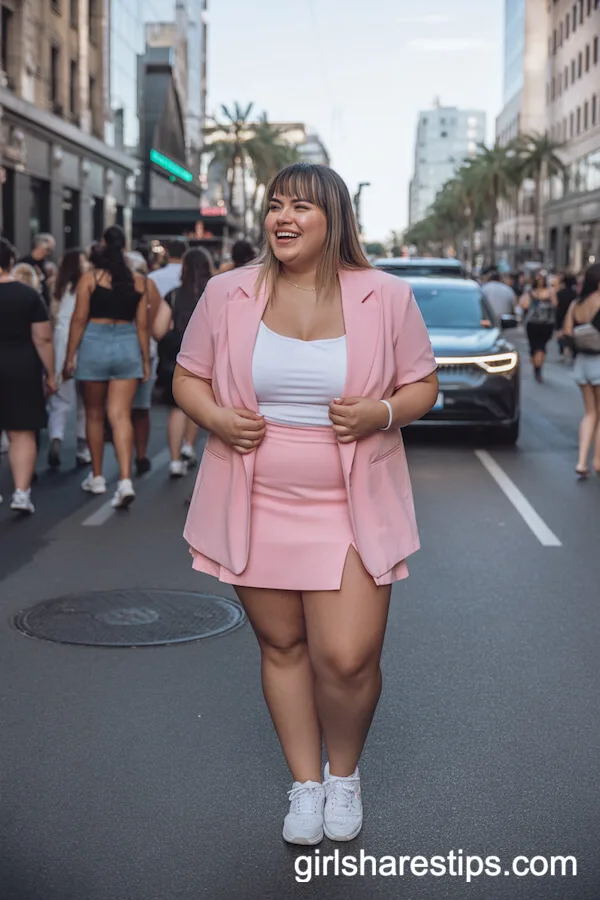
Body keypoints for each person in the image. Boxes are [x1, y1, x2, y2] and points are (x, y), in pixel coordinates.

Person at [173, 162, 438, 845]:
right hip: (253, 502)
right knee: (283, 645)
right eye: (274, 206)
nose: (282, 218)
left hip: (352, 506)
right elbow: (187, 377)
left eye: (300, 208)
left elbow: (422, 387)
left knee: (349, 656)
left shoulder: (385, 296)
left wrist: (380, 411)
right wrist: (218, 420)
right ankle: (306, 783)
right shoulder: (229, 292)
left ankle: (344, 773)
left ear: (335, 220)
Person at [63, 225, 150, 509]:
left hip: (95, 343)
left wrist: (69, 357)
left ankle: (98, 476)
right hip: (127, 345)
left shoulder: (91, 278)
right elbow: (143, 326)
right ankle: (125, 481)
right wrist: (146, 361)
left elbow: (78, 319)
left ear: (102, 245)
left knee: (94, 414)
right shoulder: (139, 282)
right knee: (121, 415)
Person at [0, 238, 56, 513]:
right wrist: (51, 374)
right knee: (22, 433)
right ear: (10, 261)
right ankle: (21, 494)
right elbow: (43, 339)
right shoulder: (28, 295)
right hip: (22, 367)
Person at [154, 247, 214, 476]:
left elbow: (159, 330)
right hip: (210, 357)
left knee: (177, 408)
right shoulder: (216, 293)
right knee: (199, 404)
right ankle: (189, 446)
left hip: (179, 359)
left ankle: (175, 460)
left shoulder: (175, 294)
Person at [47, 249, 91, 468]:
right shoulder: (87, 286)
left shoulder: (57, 286)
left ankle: (56, 437)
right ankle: (83, 447)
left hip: (59, 338)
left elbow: (53, 315)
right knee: (86, 398)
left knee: (60, 397)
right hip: (82, 338)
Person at [125, 251, 162, 475]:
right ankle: (140, 454)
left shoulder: (112, 283)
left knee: (117, 412)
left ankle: (126, 460)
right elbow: (152, 322)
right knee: (140, 408)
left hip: (126, 349)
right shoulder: (149, 287)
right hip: (145, 350)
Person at [562, 263, 600, 478]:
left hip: (581, 363)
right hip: (599, 361)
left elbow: (568, 332)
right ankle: (597, 460)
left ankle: (581, 461)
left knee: (589, 413)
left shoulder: (576, 304)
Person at [520, 273, 557, 382]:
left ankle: (536, 367)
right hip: (547, 323)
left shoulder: (530, 292)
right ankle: (538, 368)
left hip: (533, 323)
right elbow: (555, 304)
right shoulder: (551, 292)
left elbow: (524, 305)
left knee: (533, 346)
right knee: (541, 346)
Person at [20, 233, 56, 309]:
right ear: (40, 246)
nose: (50, 252)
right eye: (49, 249)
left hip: (44, 303)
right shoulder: (24, 264)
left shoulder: (48, 264)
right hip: (28, 303)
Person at [555, 273, 578, 360]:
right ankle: (568, 349)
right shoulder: (575, 294)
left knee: (561, 334)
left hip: (561, 315)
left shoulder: (560, 293)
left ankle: (564, 349)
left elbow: (556, 304)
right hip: (571, 315)